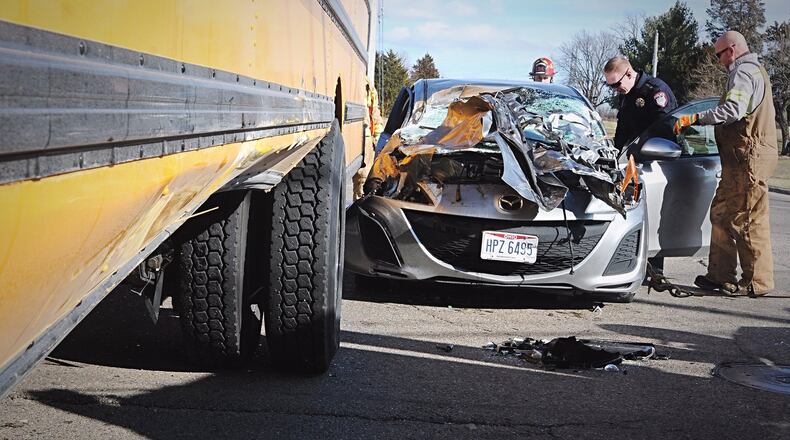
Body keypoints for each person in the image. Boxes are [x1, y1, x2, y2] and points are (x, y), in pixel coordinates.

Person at [674, 31, 778, 297]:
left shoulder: (744, 72)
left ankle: (757, 282)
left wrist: (697, 118)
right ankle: (720, 276)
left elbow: (733, 111)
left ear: (731, 49)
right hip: (741, 159)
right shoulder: (754, 71)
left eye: (719, 54)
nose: (719, 61)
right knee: (721, 213)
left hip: (748, 158)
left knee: (747, 219)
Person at [603, 55, 678, 279]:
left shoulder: (656, 91)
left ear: (629, 73)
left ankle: (655, 271)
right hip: (634, 163)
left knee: (653, 213)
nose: (615, 89)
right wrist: (613, 155)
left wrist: (645, 147)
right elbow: (623, 130)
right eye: (610, 86)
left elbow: (667, 128)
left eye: (617, 84)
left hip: (657, 159)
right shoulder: (626, 95)